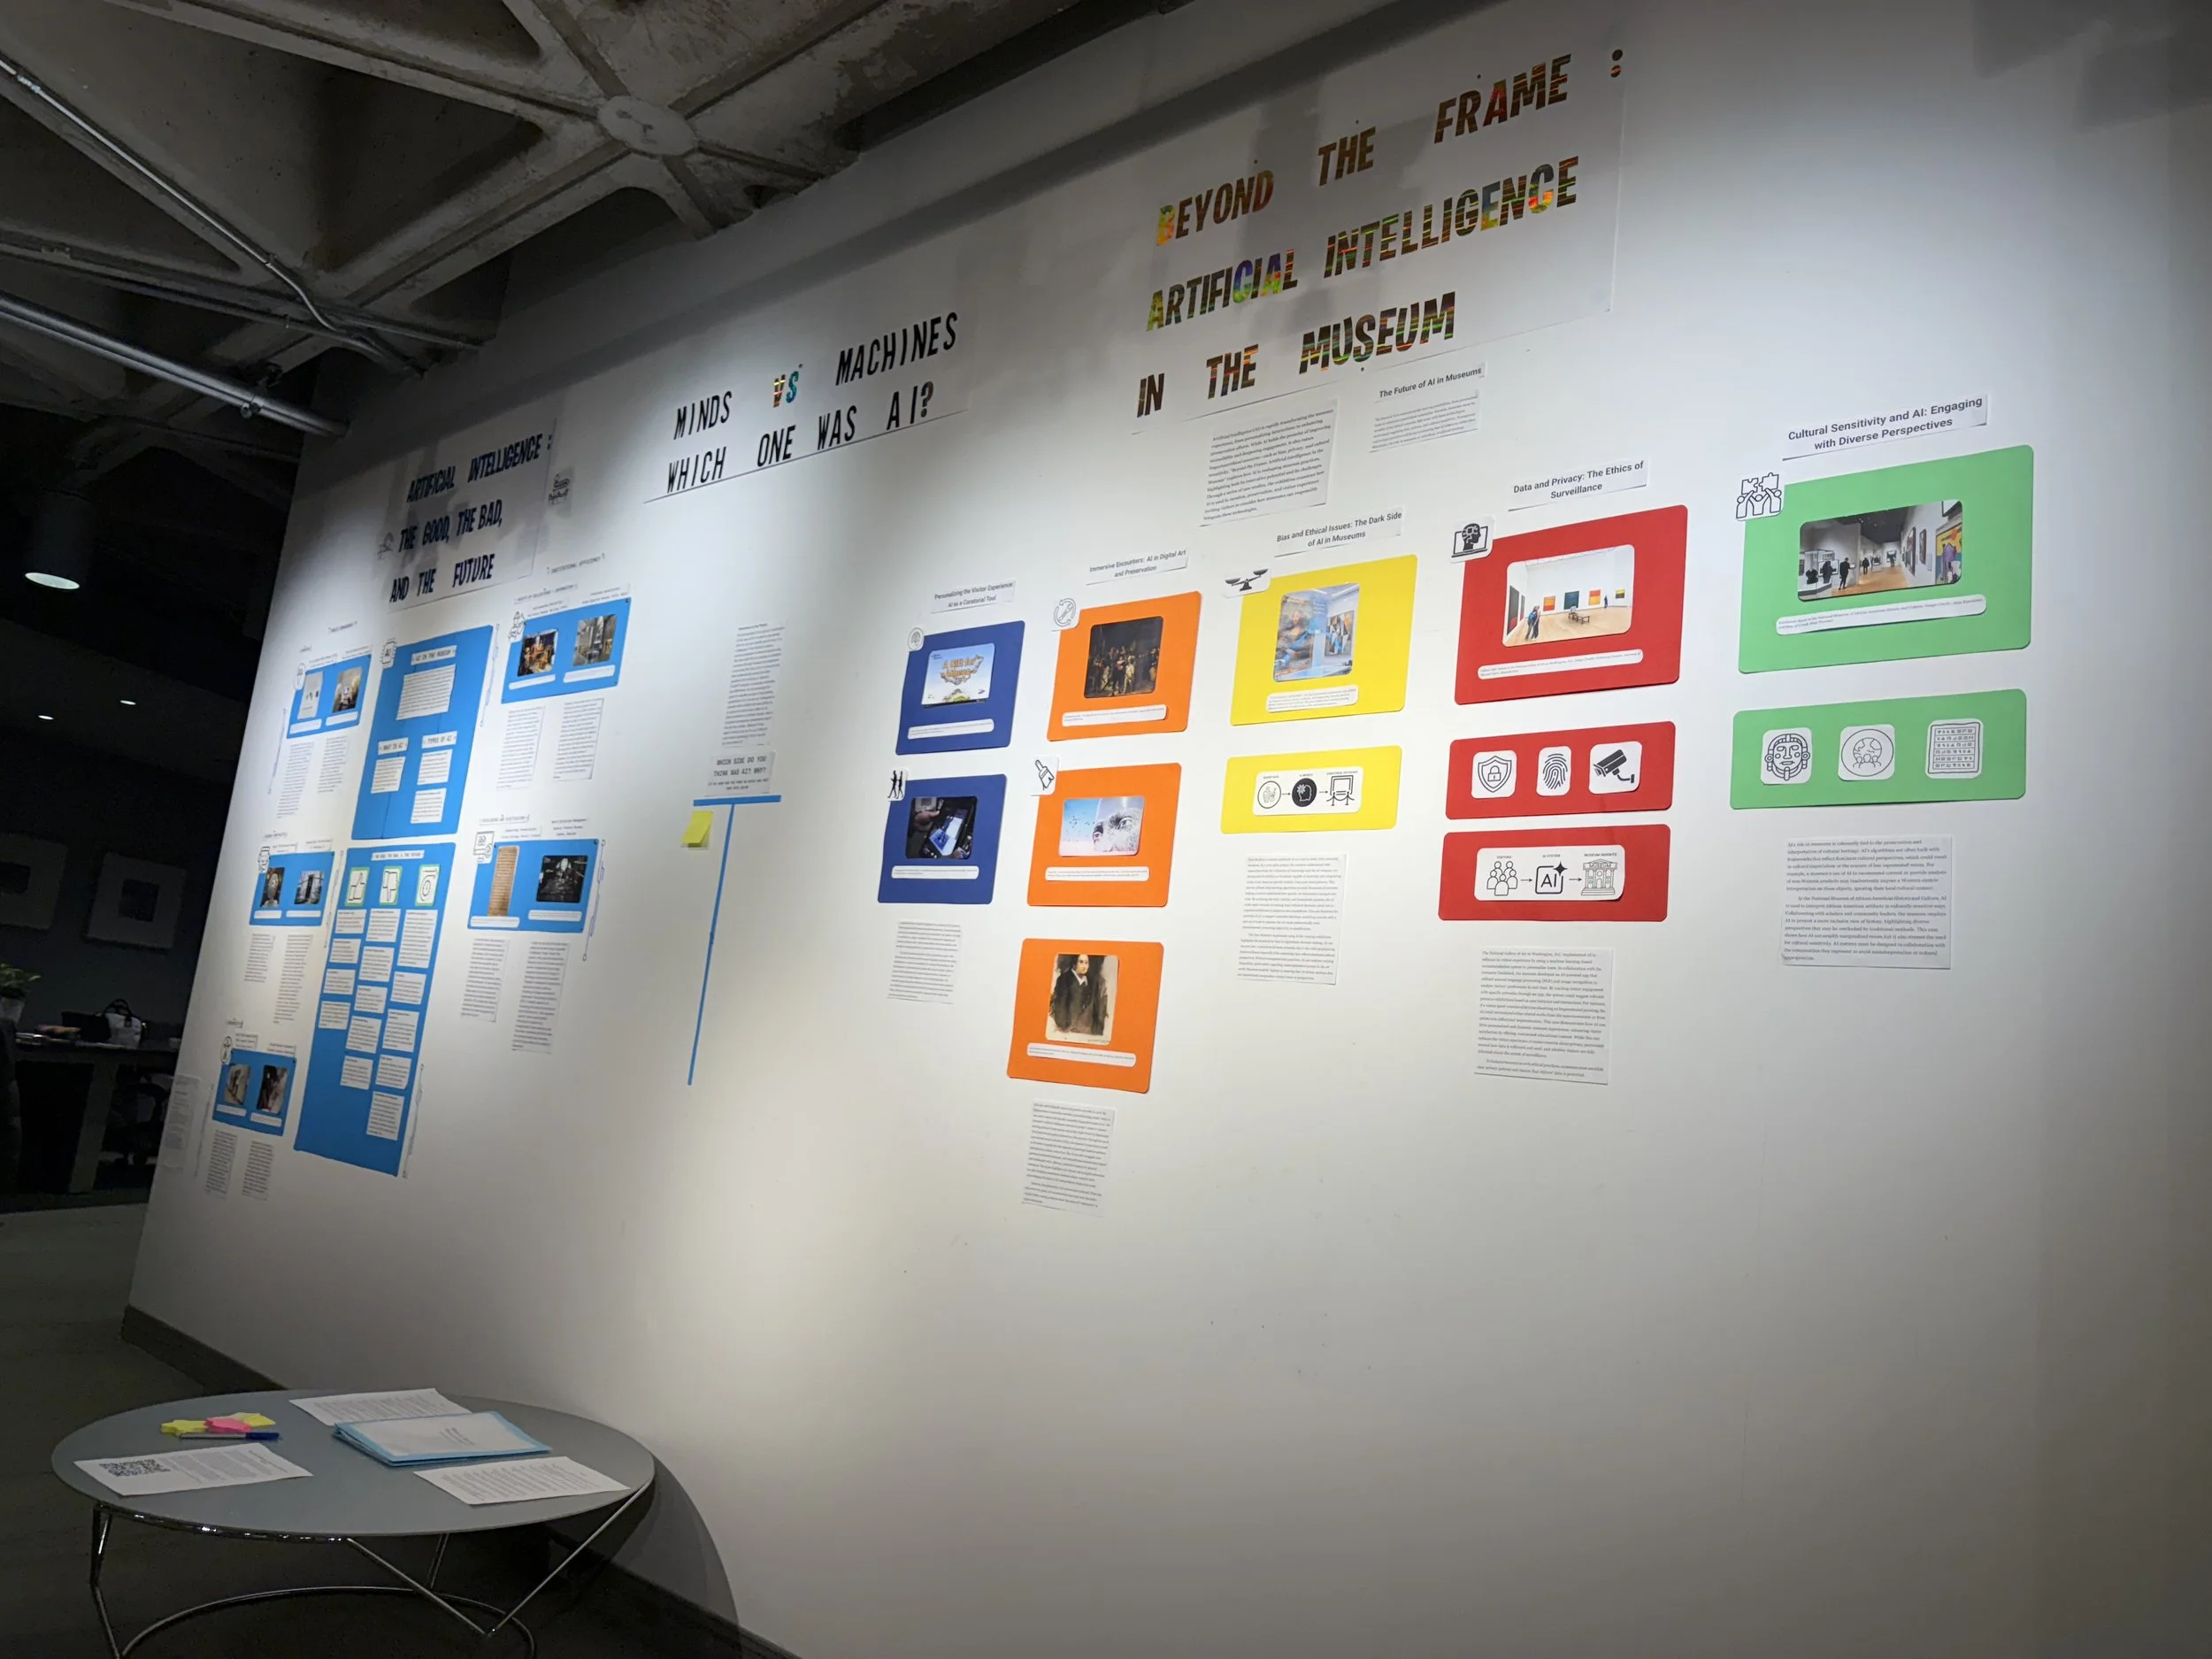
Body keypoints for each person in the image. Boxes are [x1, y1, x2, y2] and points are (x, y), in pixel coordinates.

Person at [1048, 953, 1107, 1040]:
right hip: (1068, 1029)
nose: (1084, 966)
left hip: (1084, 1030)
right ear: (1075, 964)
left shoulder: (1090, 982)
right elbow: (1060, 1005)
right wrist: (1065, 1026)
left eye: (1086, 963)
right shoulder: (1064, 979)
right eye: (1081, 962)